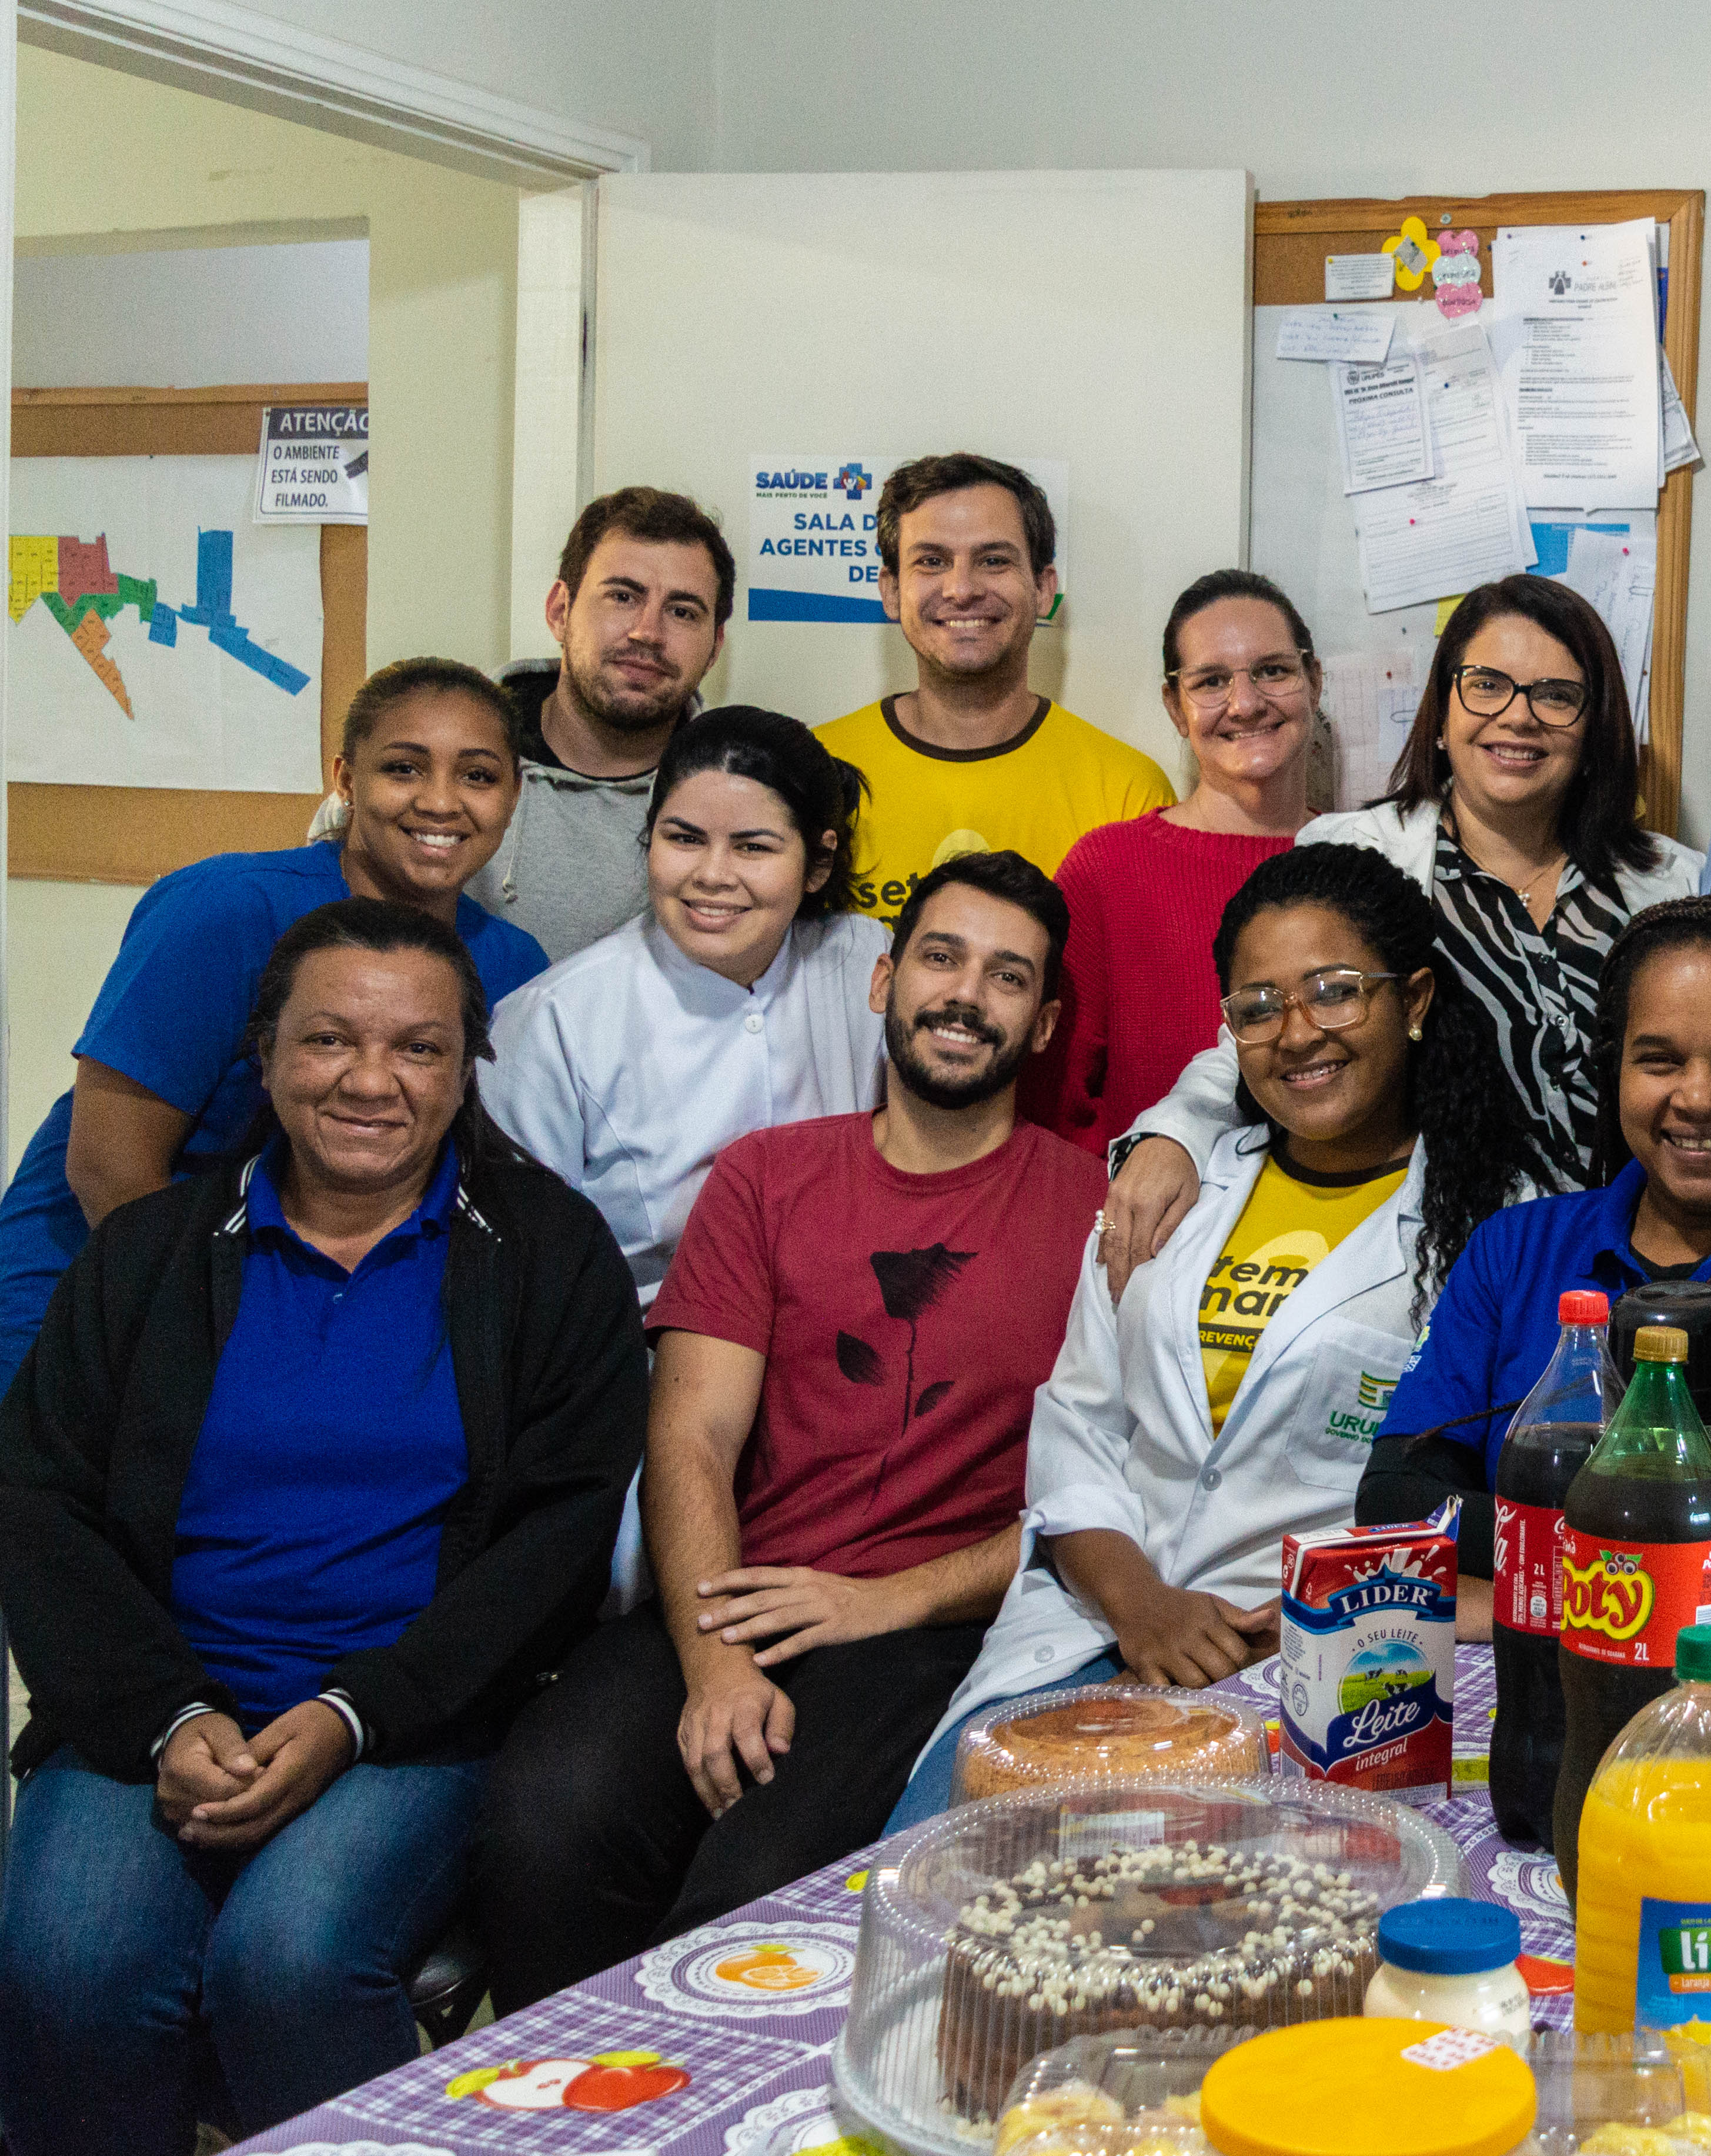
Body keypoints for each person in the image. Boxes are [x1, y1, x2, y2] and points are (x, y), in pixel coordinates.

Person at [0, 901, 646, 2156]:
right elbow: (40, 1503)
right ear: (265, 1057)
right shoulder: (147, 1254)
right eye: (329, 1042)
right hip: (156, 1711)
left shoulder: (548, 1256)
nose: (369, 1080)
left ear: (466, 1071)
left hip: (412, 1719)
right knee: (66, 1968)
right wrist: (171, 1716)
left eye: (417, 1049)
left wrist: (359, 1711)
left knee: (288, 1962)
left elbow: (561, 1537)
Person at [472, 851, 1096, 2013]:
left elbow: (1106, 1501)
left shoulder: (1097, 1211)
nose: (964, 996)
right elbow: (693, 1436)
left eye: (1007, 978)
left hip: (935, 1632)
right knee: (538, 1833)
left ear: (1045, 1021)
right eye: (941, 959)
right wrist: (714, 1666)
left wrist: (883, 1601)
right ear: (884, 982)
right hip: (734, 1596)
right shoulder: (767, 1177)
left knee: (757, 1901)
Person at [893, 846, 1540, 1827]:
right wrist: (1139, 1606)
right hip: (1081, 1634)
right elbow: (1078, 1425)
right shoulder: (1171, 1185)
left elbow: (1483, 1511)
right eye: (1257, 1007)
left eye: (1333, 993)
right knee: (948, 1901)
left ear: (1412, 1001)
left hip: (1306, 1659)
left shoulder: (1495, 1231)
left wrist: (1320, 1620)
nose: (1296, 1034)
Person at [1100, 574, 1699, 1284]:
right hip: (1441, 1266)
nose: (1518, 716)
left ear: (1593, 728)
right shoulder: (1356, 852)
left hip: (1634, 1261)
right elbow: (1264, 1032)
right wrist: (1174, 1137)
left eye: (1555, 695)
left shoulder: (1673, 882)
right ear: (1441, 711)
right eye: (1485, 685)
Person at [0, 658, 549, 1383]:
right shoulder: (224, 909)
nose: (441, 802)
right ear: (346, 780)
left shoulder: (511, 965)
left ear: (515, 794)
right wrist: (243, 1329)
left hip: (315, 1308)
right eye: (404, 769)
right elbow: (106, 1166)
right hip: (99, 1288)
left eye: (478, 776)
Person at [1359, 894, 1711, 1597]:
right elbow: (1397, 1496)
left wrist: (1522, 1566)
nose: (1698, 1096)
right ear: (1613, 1069)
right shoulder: (1517, 1248)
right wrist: (1632, 1559)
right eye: (1659, 1061)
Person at [482, 706, 886, 1304]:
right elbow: (516, 1269)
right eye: (684, 839)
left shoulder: (867, 961)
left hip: (842, 1350)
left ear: (818, 863)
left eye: (753, 847)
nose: (713, 875)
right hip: (635, 1367)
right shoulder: (552, 1023)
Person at [1030, 569, 1321, 1193]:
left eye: (1272, 670)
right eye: (1211, 681)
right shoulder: (1105, 871)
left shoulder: (1366, 857)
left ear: (1313, 681)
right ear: (1174, 706)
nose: (1245, 704)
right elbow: (1050, 1106)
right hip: (1147, 1251)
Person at [818, 452, 1173, 925]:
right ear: (890, 590)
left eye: (993, 560)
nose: (961, 589)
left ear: (1044, 589)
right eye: (931, 561)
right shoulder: (814, 771)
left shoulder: (1128, 795)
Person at [476, 487, 735, 960]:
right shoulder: (438, 760)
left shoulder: (742, 797)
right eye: (622, 596)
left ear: (715, 646)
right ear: (561, 611)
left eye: (682, 611)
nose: (647, 632)